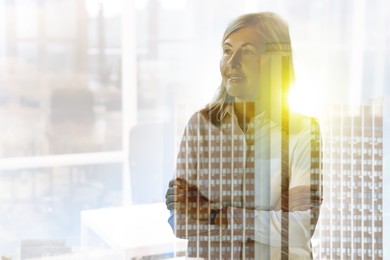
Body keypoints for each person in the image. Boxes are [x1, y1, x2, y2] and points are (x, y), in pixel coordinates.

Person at [165, 12, 322, 259]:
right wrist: (268, 220)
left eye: (247, 51)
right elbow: (181, 222)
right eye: (227, 51)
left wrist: (212, 213)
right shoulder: (200, 126)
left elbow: (300, 229)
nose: (232, 62)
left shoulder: (302, 131)